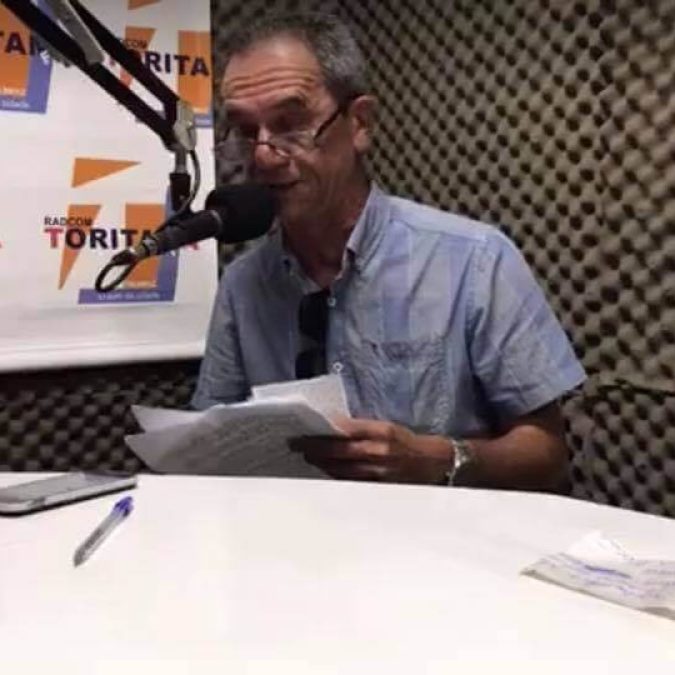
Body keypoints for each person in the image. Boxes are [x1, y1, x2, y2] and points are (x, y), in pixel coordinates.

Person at [192, 11, 586, 488]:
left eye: (291, 124)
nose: (262, 155)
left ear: (359, 123)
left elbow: (548, 455)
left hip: (441, 530)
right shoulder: (243, 286)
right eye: (245, 131)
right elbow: (211, 441)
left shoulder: (475, 261)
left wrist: (439, 459)